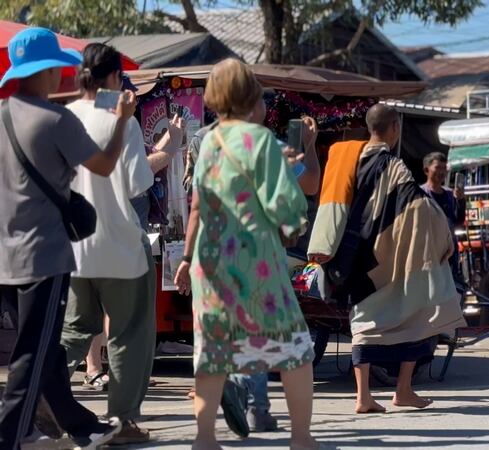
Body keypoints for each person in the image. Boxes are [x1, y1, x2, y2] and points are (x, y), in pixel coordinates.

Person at [0, 27, 137, 449]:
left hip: (5, 253)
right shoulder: (55, 119)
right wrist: (121, 122)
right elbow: (103, 164)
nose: (63, 75)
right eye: (57, 67)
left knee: (45, 351)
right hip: (44, 255)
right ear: (43, 72)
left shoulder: (2, 116)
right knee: (31, 354)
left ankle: (81, 426)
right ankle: (9, 434)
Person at [172, 58, 317, 450]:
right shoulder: (262, 141)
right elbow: (286, 207)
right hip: (257, 262)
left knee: (213, 351)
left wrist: (186, 258)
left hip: (212, 263)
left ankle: (205, 438)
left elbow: (199, 205)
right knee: (295, 349)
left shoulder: (208, 144)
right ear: (253, 98)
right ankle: (301, 438)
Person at [52, 43, 183, 445]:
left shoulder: (65, 117)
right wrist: (170, 144)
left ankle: (44, 393)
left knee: (73, 330)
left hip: (73, 246)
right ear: (112, 78)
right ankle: (122, 421)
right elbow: (136, 182)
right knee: (128, 334)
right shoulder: (119, 119)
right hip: (121, 244)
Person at [308, 104, 465, 414]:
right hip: (386, 256)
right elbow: (418, 206)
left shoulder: (345, 158)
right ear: (394, 128)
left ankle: (363, 396)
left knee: (363, 323)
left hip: (353, 254)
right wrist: (444, 236)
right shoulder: (392, 165)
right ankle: (403, 389)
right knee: (418, 315)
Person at [420, 152, 467, 281]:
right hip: (428, 252)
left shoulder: (450, 195)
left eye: (444, 168)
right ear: (426, 170)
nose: (441, 172)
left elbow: (458, 221)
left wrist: (461, 200)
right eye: (437, 168)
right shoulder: (419, 194)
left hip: (449, 252)